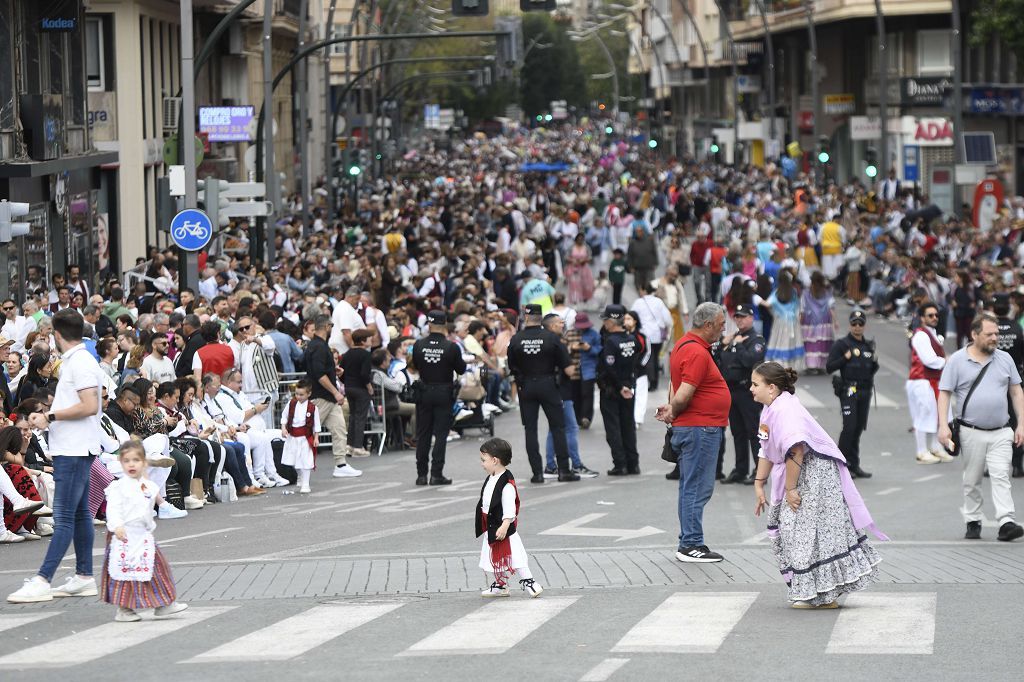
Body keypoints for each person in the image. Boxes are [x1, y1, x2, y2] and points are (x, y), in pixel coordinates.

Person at [751, 361, 885, 608]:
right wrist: (759, 484)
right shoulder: (771, 408)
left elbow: (795, 450)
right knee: (798, 532)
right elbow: (766, 447)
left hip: (815, 475)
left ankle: (825, 595)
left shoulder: (785, 410)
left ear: (771, 388)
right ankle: (817, 593)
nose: (751, 388)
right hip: (801, 472)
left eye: (755, 384)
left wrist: (791, 489)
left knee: (811, 533)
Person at [8, 309, 104, 604]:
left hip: (73, 451)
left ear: (58, 335)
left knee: (63, 517)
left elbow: (89, 405)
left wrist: (50, 415)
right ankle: (84, 576)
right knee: (78, 515)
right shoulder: (79, 360)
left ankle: (43, 579)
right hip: (74, 449)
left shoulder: (81, 362)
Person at [937, 313, 1024, 542]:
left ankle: (1006, 522)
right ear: (974, 334)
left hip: (1001, 430)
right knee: (972, 478)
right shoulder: (956, 360)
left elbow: (1016, 392)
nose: (995, 338)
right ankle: (973, 520)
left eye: (996, 333)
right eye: (990, 334)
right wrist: (942, 427)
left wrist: (1021, 424)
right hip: (970, 431)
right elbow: (944, 393)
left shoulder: (1005, 359)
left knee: (1001, 475)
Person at [656, 302, 730, 563]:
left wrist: (671, 409)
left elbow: (673, 385)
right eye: (721, 325)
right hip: (701, 428)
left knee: (691, 487)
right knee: (697, 489)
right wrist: (673, 410)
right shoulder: (698, 352)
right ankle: (691, 544)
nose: (723, 330)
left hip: (696, 426)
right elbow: (684, 392)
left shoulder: (683, 345)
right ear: (708, 325)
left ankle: (689, 541)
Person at [100, 440, 188, 622]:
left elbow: (147, 509)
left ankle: (163, 603)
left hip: (143, 536)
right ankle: (124, 608)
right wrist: (116, 526)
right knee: (125, 572)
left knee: (157, 568)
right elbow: (113, 509)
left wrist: (149, 527)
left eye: (136, 460)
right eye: (127, 461)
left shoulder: (147, 486)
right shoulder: (118, 487)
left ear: (144, 463)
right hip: (123, 535)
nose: (131, 464)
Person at [508, 304, 578, 483]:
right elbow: (569, 370)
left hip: (526, 387)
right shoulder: (552, 338)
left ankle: (537, 473)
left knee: (530, 430)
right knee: (558, 427)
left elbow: (511, 366)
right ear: (541, 317)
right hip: (549, 385)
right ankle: (564, 471)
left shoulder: (516, 339)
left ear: (525, 316)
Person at [476, 437, 542, 598]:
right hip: (492, 525)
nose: (481, 463)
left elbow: (510, 508)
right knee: (494, 556)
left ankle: (530, 582)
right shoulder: (493, 476)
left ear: (495, 460)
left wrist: (505, 525)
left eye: (483, 460)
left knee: (515, 555)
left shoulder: (506, 483)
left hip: (502, 527)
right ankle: (501, 584)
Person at [409, 310, 467, 485]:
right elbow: (461, 369)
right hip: (443, 391)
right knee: (441, 435)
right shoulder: (451, 347)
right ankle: (436, 474)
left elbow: (416, 365)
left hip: (424, 391)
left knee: (423, 434)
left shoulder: (419, 345)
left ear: (429, 324)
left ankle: (421, 475)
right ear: (445, 324)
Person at [304, 314, 361, 479]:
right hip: (322, 396)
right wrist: (336, 392)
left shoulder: (316, 345)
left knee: (339, 430)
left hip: (326, 396)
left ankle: (341, 464)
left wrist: (332, 370)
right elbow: (319, 374)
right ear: (327, 326)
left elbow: (319, 370)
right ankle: (298, 466)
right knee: (308, 433)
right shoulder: (319, 347)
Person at [826, 309, 879, 479]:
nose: (857, 327)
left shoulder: (868, 345)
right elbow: (829, 367)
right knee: (849, 427)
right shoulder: (842, 344)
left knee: (857, 428)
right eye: (854, 323)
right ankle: (840, 465)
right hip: (849, 389)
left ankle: (854, 464)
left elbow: (870, 369)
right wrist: (845, 358)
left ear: (864, 325)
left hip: (865, 390)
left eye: (860, 324)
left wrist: (875, 362)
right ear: (850, 324)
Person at [718, 304, 766, 485]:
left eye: (743, 316)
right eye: (737, 317)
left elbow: (749, 361)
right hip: (731, 391)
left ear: (751, 318)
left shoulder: (756, 340)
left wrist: (738, 347)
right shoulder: (732, 338)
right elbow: (722, 360)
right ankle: (740, 469)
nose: (739, 320)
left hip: (748, 392)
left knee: (753, 431)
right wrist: (726, 344)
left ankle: (758, 470)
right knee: (737, 432)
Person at [906, 302, 953, 465]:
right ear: (922, 318)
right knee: (923, 415)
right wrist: (947, 361)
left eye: (936, 315)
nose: (934, 318)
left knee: (937, 415)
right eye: (930, 315)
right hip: (921, 380)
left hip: (932, 380)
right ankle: (921, 450)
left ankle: (935, 446)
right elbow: (929, 360)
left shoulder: (932, 333)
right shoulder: (920, 335)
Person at [598, 305, 642, 476]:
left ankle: (620, 464)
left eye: (605, 320)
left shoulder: (611, 342)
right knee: (628, 426)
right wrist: (628, 383)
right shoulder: (631, 339)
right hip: (628, 386)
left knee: (613, 428)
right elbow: (637, 354)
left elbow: (609, 368)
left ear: (610, 321)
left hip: (613, 388)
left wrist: (619, 386)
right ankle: (633, 464)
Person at [991, 294, 1024, 478]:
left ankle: (991, 466)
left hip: (992, 381)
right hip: (1015, 380)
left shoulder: (989, 328)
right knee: (1017, 422)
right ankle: (1017, 465)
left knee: (993, 424)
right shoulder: (1017, 327)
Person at [281, 380, 321, 494]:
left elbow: (316, 425)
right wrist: (283, 428)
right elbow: (284, 416)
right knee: (294, 461)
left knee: (306, 460)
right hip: (292, 437)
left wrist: (316, 437)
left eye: (301, 394)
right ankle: (301, 476)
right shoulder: (291, 404)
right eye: (296, 394)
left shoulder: (313, 408)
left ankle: (306, 483)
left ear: (308, 394)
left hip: (305, 437)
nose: (298, 396)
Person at [340, 329, 374, 458]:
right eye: (369, 339)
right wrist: (369, 386)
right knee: (360, 417)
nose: (371, 341)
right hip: (360, 389)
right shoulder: (365, 355)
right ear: (363, 341)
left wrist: (346, 381)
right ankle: (358, 447)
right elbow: (365, 374)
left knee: (353, 416)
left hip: (349, 387)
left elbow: (341, 372)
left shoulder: (347, 354)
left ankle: (349, 446)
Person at [800, 271, 836, 374]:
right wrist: (835, 321)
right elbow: (831, 308)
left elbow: (802, 310)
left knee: (810, 345)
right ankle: (821, 365)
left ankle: (810, 365)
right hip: (824, 323)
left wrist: (799, 322)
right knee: (823, 345)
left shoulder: (806, 294)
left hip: (809, 323)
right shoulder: (827, 293)